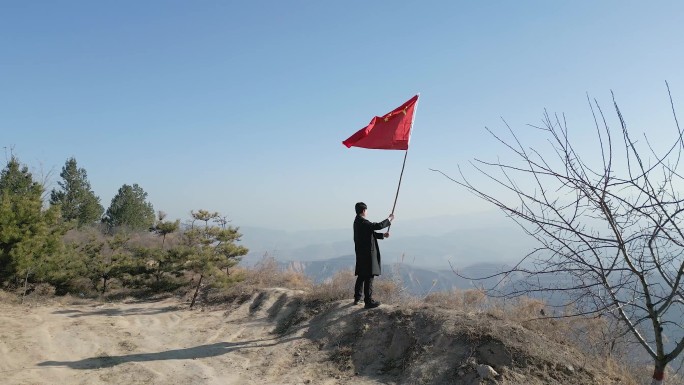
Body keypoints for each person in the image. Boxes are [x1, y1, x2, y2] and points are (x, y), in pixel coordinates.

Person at [352, 202, 393, 309]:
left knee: (361, 275)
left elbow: (369, 233)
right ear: (364, 211)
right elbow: (377, 226)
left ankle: (357, 298)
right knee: (369, 276)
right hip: (367, 254)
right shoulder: (363, 222)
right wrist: (389, 220)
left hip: (361, 253)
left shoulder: (357, 222)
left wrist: (382, 235)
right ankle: (368, 301)